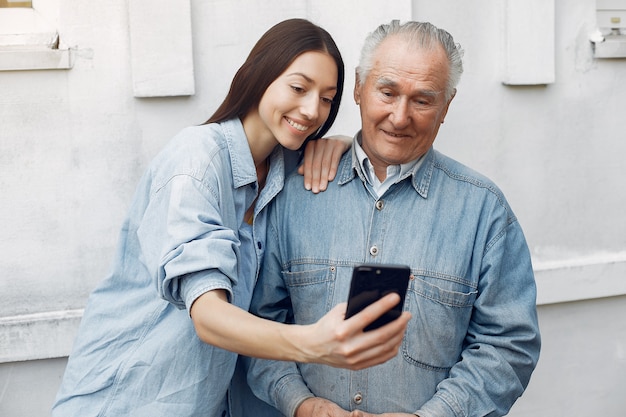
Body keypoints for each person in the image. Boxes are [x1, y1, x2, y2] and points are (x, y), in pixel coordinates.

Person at [51, 18, 411, 417]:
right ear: (259, 76)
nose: (312, 110)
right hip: (122, 399)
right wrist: (313, 343)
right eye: (298, 87)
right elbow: (208, 314)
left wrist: (344, 142)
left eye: (327, 98)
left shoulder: (284, 169)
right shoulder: (197, 161)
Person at [246, 20, 541, 417]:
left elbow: (508, 346)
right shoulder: (292, 195)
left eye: (422, 100)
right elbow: (262, 320)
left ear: (446, 106)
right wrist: (299, 403)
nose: (400, 117)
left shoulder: (484, 211)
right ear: (358, 89)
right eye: (387, 92)